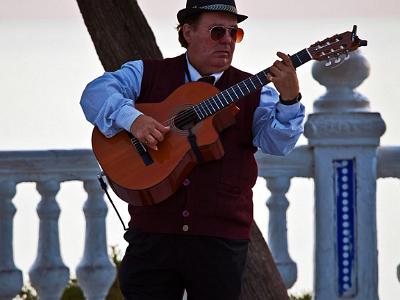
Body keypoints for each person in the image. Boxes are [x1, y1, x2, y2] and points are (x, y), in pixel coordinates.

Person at [80, 0, 305, 299]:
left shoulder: (253, 89)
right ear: (188, 32)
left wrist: (289, 100)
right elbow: (94, 94)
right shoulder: (146, 73)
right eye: (217, 32)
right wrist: (134, 121)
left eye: (233, 34)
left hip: (219, 241)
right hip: (152, 237)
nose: (227, 41)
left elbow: (278, 144)